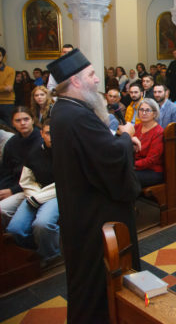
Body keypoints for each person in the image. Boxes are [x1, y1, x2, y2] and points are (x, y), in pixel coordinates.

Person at [47, 49, 141, 322]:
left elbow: (93, 150)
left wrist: (116, 137)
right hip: (96, 216)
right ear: (75, 81)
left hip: (82, 210)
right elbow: (110, 158)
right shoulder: (76, 116)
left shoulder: (64, 110)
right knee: (98, 279)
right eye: (91, 75)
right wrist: (126, 136)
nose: (98, 79)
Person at [5, 119, 60, 266]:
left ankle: (52, 256)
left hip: (56, 194)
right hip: (35, 193)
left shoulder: (66, 152)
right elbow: (26, 180)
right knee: (15, 229)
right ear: (41, 134)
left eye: (55, 133)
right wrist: (35, 195)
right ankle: (35, 251)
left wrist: (39, 197)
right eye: (48, 133)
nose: (51, 137)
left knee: (42, 224)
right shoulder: (35, 152)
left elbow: (66, 181)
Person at [0, 107, 42, 227]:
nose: (22, 123)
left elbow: (38, 176)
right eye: (18, 120)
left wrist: (12, 191)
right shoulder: (12, 143)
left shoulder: (41, 140)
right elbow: (6, 172)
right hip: (14, 186)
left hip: (33, 188)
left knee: (2, 209)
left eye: (26, 119)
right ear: (13, 123)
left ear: (33, 120)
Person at [132, 98, 164, 188]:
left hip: (152, 170)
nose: (144, 113)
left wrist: (130, 165)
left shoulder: (158, 132)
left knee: (125, 177)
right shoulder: (136, 127)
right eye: (141, 110)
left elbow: (151, 160)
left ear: (155, 113)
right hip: (136, 166)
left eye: (148, 110)